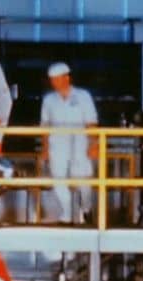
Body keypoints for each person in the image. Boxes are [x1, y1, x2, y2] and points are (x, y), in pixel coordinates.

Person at [40, 62, 99, 225]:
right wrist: (45, 148)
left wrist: (94, 144)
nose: (54, 83)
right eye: (52, 80)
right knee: (58, 179)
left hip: (80, 141)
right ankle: (66, 214)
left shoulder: (83, 96)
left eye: (57, 79)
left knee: (83, 180)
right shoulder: (49, 100)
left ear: (67, 78)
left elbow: (91, 122)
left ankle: (86, 209)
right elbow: (45, 125)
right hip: (57, 143)